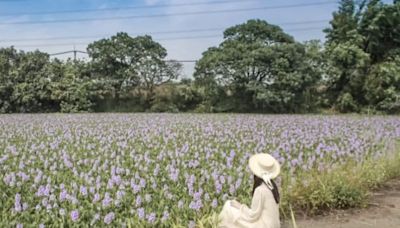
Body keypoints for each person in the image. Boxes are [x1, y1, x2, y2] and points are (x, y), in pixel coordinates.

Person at [219, 153, 281, 228]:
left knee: (228, 207)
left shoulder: (260, 190)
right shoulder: (272, 187)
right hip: (275, 225)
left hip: (263, 225)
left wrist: (239, 206)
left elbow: (252, 215)